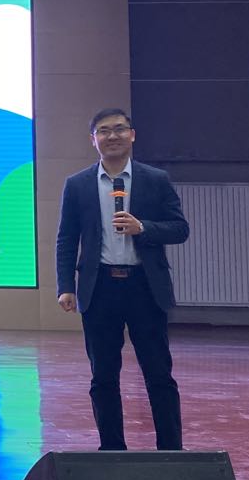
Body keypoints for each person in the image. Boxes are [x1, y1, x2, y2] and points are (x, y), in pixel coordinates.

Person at [55, 107, 189, 451]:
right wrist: (66, 287)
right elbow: (66, 239)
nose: (112, 136)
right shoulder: (78, 184)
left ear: (132, 134)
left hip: (145, 287)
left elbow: (180, 228)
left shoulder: (155, 180)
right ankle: (111, 450)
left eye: (119, 129)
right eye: (104, 131)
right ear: (93, 140)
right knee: (103, 376)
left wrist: (143, 227)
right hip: (99, 289)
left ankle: (171, 451)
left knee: (158, 374)